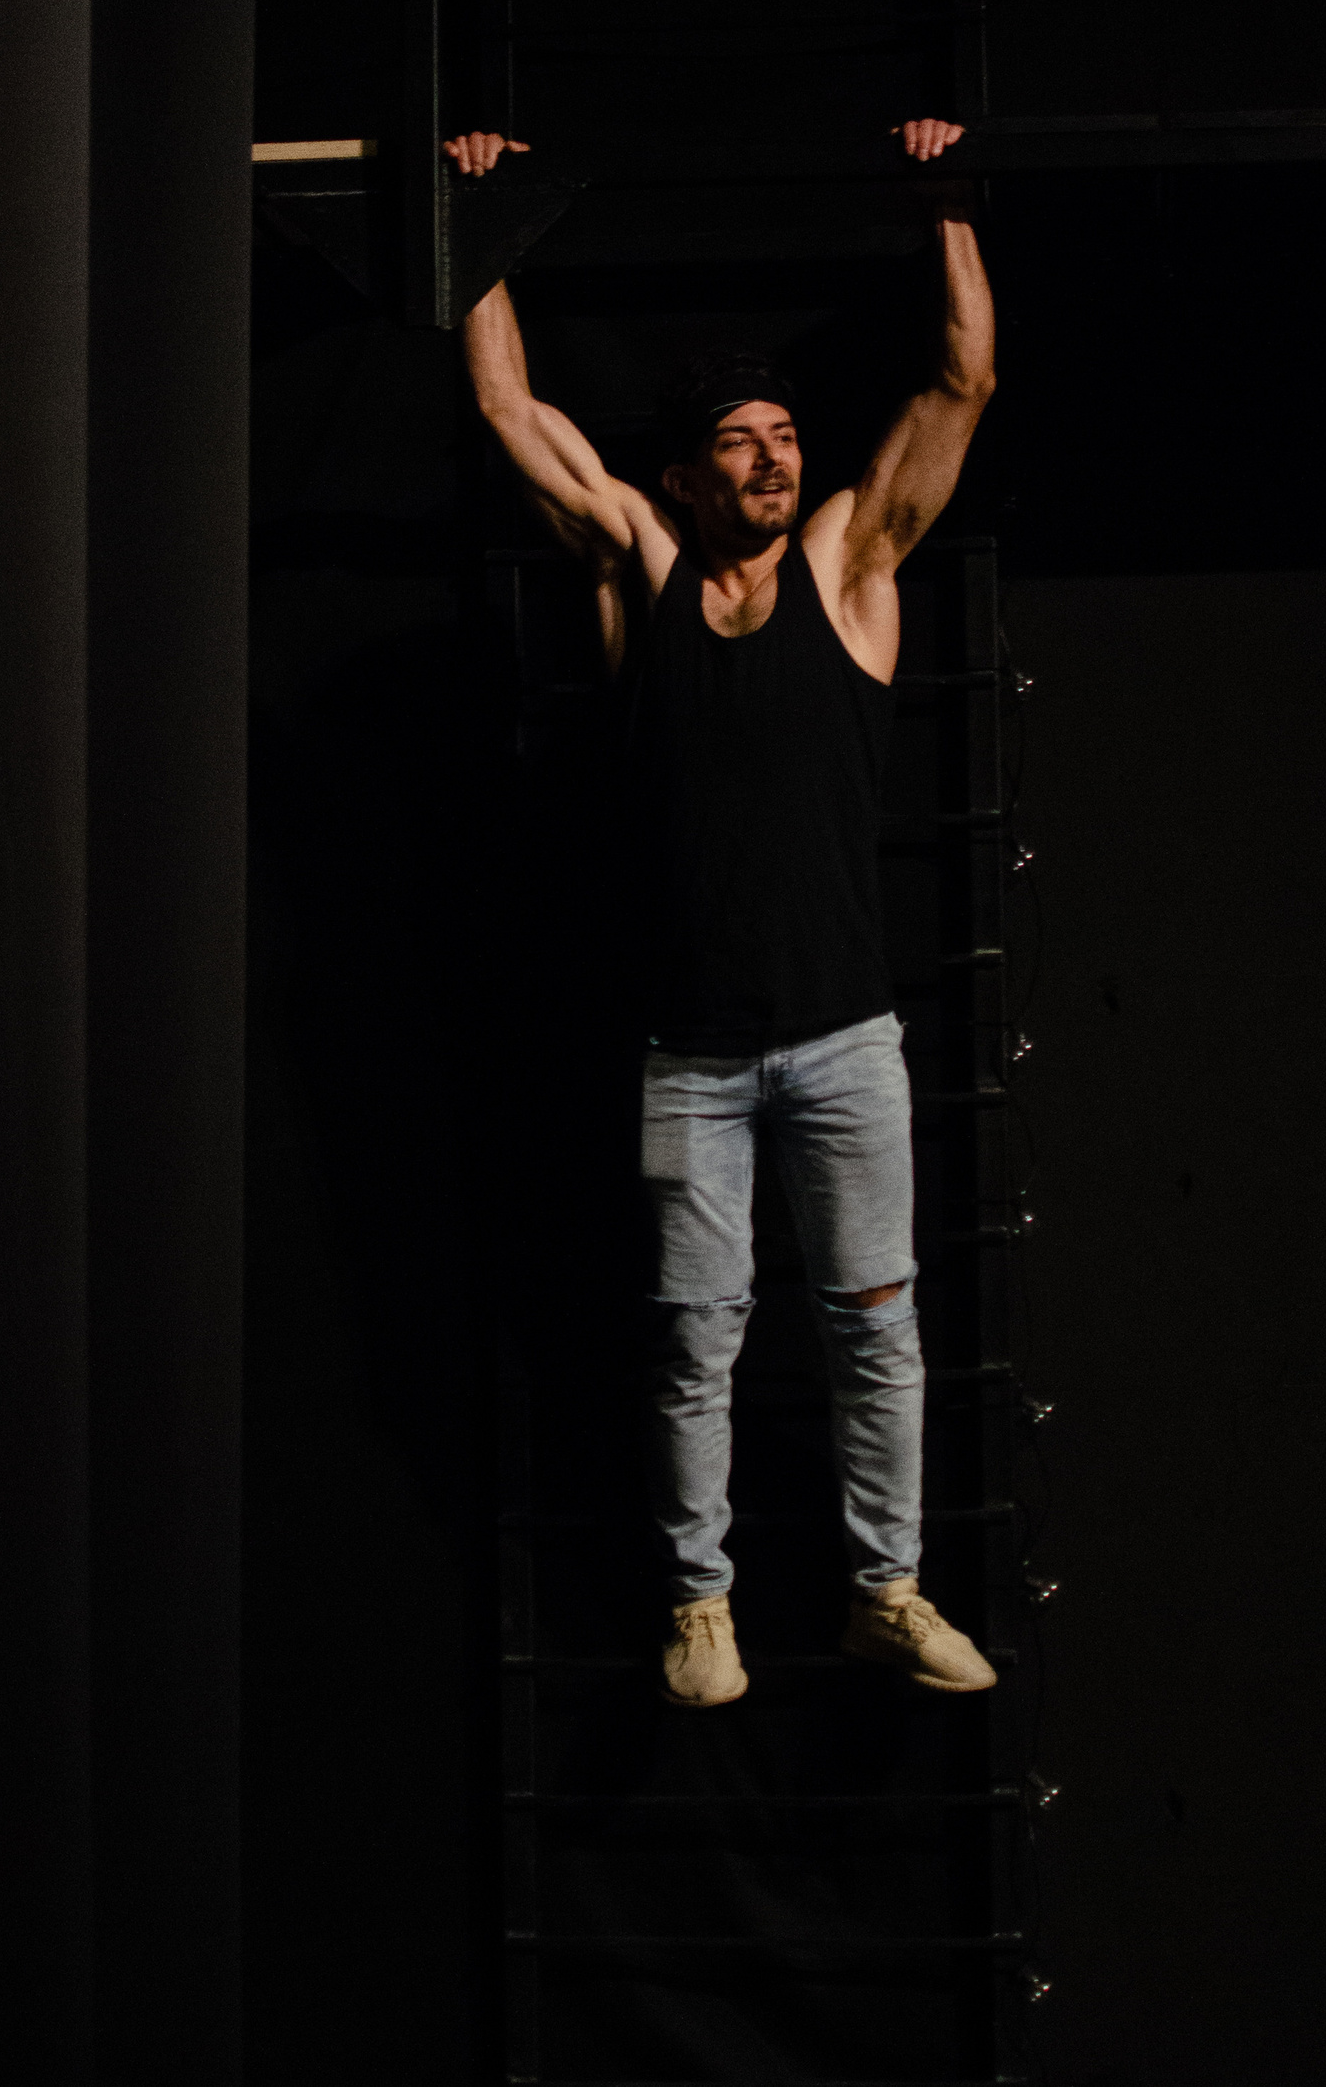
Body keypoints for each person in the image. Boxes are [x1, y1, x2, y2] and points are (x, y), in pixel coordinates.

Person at [446, 120, 998, 1707]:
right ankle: (704, 1604)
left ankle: (885, 1589)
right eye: (739, 446)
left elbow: (960, 380)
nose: (772, 460)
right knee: (694, 1344)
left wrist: (948, 205)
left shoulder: (850, 565)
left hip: (847, 1049)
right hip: (685, 1061)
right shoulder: (642, 565)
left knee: (878, 1327)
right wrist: (479, 218)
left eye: (785, 437)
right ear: (687, 476)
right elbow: (507, 408)